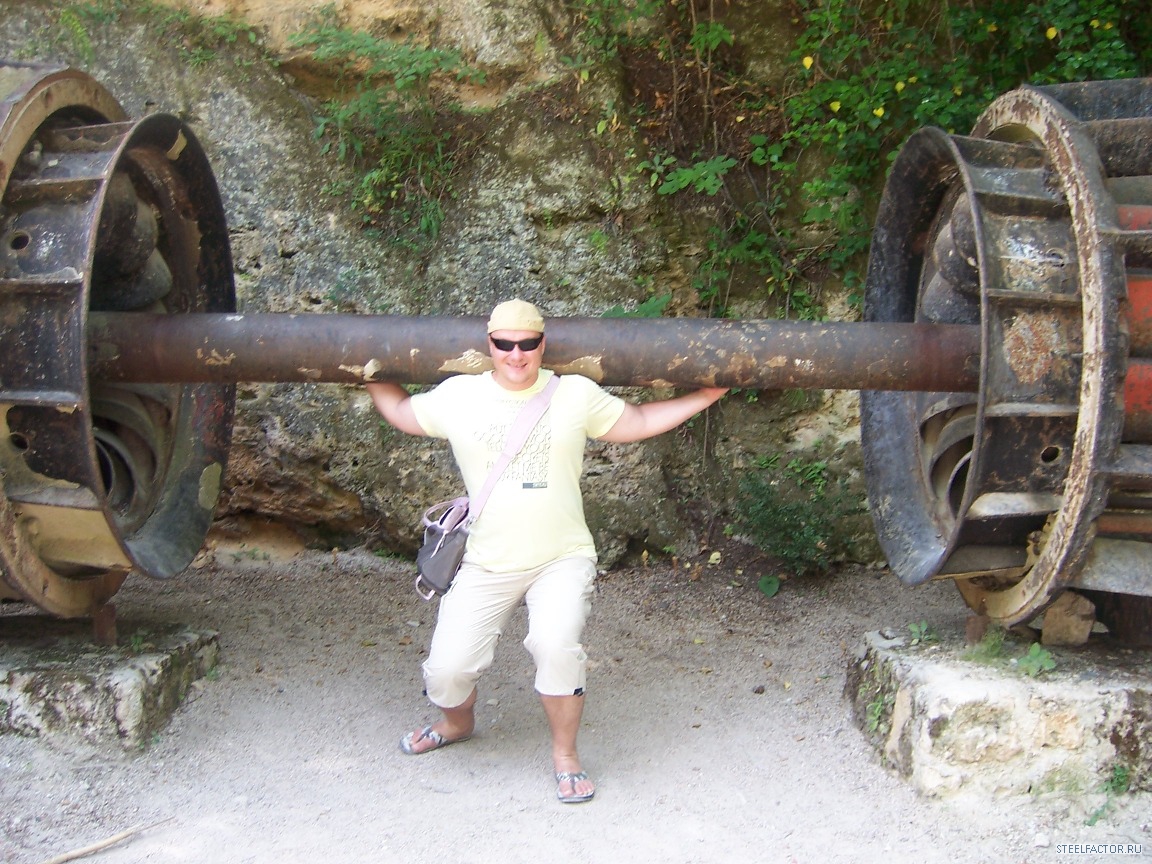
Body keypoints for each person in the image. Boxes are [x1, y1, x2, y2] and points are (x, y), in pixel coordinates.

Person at [367, 299, 727, 804]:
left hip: (561, 556)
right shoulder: (460, 395)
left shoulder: (574, 393)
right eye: (504, 344)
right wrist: (361, 368)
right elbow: (402, 412)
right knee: (447, 670)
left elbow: (638, 420)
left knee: (556, 648)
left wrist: (706, 396)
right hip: (487, 560)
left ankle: (565, 756)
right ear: (489, 345)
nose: (516, 355)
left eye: (527, 343)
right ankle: (456, 723)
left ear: (542, 344)